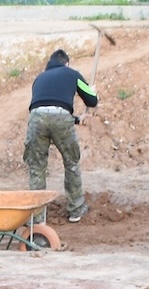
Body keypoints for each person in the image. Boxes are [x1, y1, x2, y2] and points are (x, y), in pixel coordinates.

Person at [24, 49, 99, 223]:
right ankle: (76, 209)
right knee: (71, 162)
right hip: (61, 118)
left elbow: (46, 107)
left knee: (36, 168)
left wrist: (77, 120)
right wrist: (92, 92)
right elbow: (91, 101)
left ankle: (38, 218)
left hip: (36, 118)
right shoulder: (72, 74)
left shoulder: (39, 78)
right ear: (67, 63)